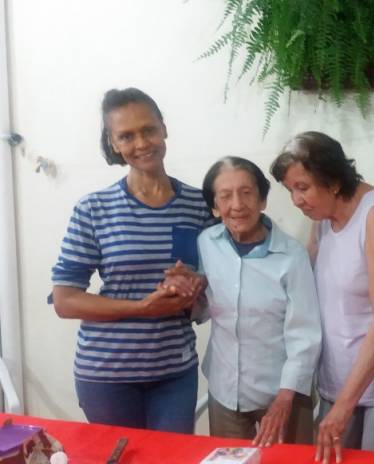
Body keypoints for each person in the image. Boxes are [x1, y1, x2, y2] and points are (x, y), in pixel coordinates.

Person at [50, 88, 209, 433]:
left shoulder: (199, 205)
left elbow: (222, 277)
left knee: (171, 459)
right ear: (113, 143)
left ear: (164, 129)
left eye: (148, 129)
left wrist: (197, 282)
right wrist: (141, 308)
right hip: (106, 374)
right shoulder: (94, 209)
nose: (142, 143)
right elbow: (64, 301)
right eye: (127, 135)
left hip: (174, 370)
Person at [270, 132, 374, 463]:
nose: (296, 201)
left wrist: (344, 406)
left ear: (332, 181)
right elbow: (300, 284)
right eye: (290, 190)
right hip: (341, 371)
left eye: (302, 188)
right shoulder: (322, 219)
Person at [191, 156, 321, 445]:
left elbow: (305, 334)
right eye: (225, 196)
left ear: (262, 200)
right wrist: (186, 292)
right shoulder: (206, 243)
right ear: (214, 206)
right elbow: (202, 308)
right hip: (225, 391)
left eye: (247, 193)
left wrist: (285, 397)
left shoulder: (291, 255)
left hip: (282, 392)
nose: (237, 205)